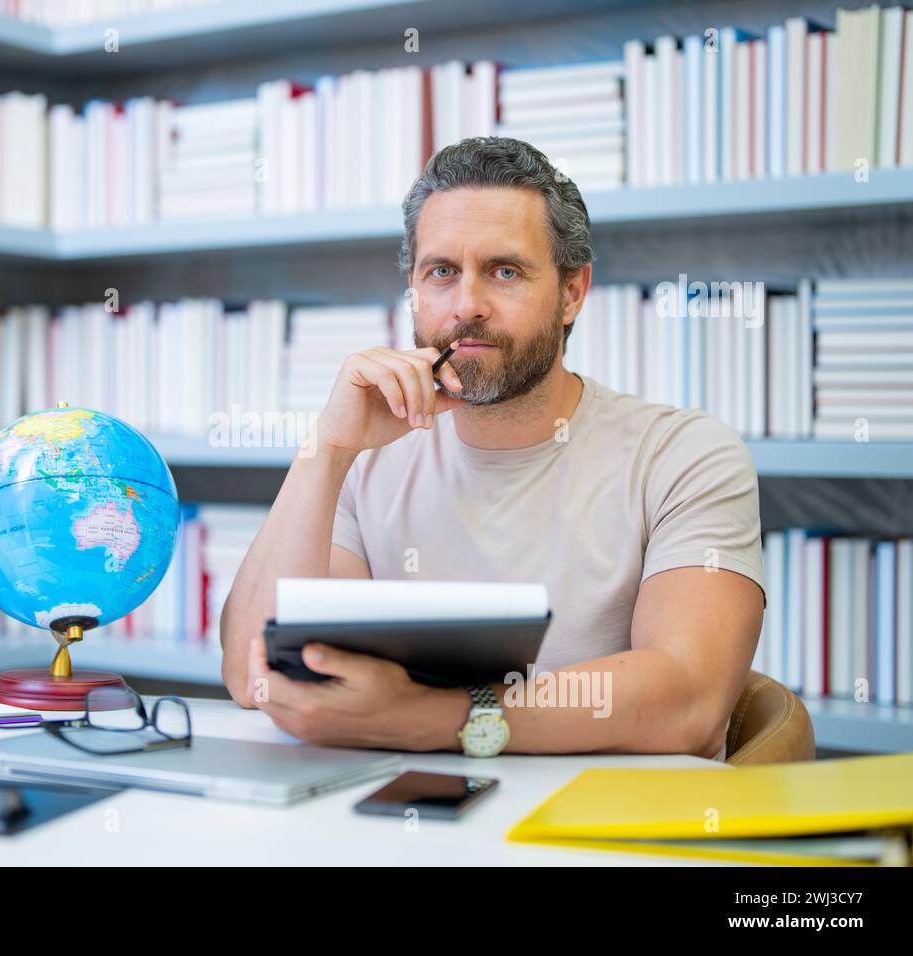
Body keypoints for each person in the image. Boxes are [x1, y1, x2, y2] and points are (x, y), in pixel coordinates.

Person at [219, 137, 765, 760]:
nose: (466, 307)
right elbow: (251, 674)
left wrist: (435, 719)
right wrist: (328, 448)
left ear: (572, 292)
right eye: (441, 273)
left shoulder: (685, 456)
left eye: (505, 271)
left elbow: (688, 702)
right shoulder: (363, 460)